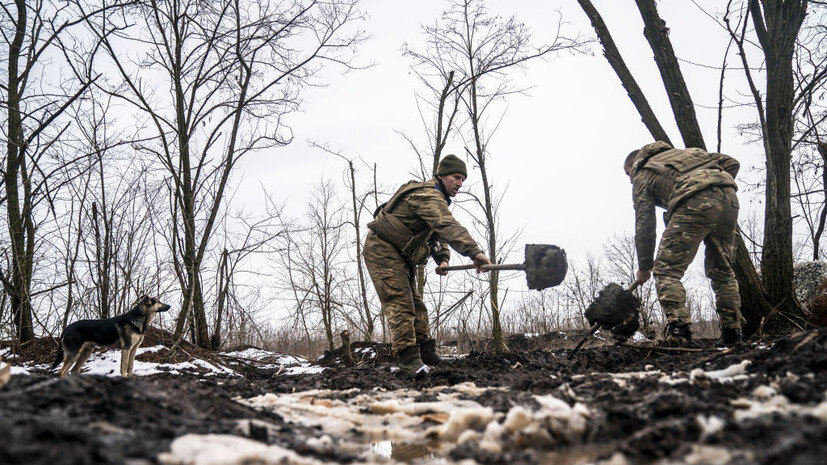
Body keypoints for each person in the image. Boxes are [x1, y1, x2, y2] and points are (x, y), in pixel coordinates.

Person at [363, 154, 491, 374]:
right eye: (456, 177)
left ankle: (426, 354)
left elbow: (437, 233)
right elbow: (446, 225)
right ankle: (408, 360)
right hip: (382, 250)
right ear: (441, 175)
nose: (459, 184)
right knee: (400, 302)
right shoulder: (426, 195)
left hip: (401, 255)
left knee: (417, 305)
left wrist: (442, 259)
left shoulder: (436, 199)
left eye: (463, 180)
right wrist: (475, 253)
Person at [625, 141, 743, 346]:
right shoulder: (689, 153)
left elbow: (644, 223)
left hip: (694, 201)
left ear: (635, 164)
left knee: (665, 271)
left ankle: (680, 333)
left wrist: (644, 266)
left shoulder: (643, 173)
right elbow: (732, 163)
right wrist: (716, 184)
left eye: (628, 174)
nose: (630, 181)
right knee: (722, 271)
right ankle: (732, 334)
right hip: (729, 199)